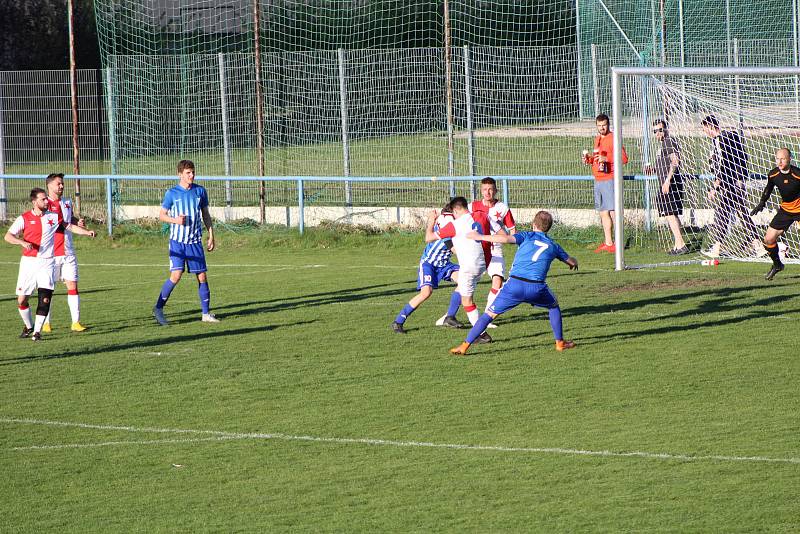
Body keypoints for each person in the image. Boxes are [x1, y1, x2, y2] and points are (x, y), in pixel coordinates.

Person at [450, 210, 577, 355]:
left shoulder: (526, 235)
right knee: (553, 307)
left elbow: (505, 239)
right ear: (549, 227)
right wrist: (573, 261)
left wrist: (479, 236)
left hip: (514, 286)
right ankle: (560, 343)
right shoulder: (554, 246)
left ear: (533, 225)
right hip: (536, 288)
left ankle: (464, 346)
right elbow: (571, 261)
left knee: (489, 315)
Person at [4, 188, 95, 341]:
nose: (47, 201)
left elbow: (69, 226)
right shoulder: (24, 218)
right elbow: (8, 236)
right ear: (34, 202)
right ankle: (29, 326)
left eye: (46, 199)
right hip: (29, 263)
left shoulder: (53, 217)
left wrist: (86, 232)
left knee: (45, 297)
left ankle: (37, 332)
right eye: (43, 199)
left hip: (47, 263)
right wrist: (21, 242)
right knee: (22, 300)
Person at [152, 160, 219, 325]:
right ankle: (158, 308)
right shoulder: (172, 193)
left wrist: (211, 234)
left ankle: (205, 314)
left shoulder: (200, 191)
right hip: (178, 242)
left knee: (202, 276)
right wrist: (176, 220)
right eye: (188, 173)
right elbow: (161, 215)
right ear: (180, 174)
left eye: (193, 172)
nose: (192, 175)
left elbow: (206, 215)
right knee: (176, 275)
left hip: (195, 242)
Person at [427, 196, 493, 344]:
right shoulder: (478, 217)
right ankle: (451, 317)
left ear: (456, 210)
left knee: (467, 300)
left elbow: (429, 237)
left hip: (469, 266)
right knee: (462, 289)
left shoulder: (455, 225)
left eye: (454, 213)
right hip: (481, 263)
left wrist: (432, 220)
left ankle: (481, 334)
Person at [392, 203, 463, 334]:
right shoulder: (447, 224)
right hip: (429, 264)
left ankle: (450, 317)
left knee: (464, 281)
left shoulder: (456, 224)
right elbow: (453, 248)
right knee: (426, 293)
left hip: (444, 264)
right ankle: (398, 321)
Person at [701, 114, 759, 258]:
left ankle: (717, 248)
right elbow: (741, 159)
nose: (705, 132)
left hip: (730, 184)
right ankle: (757, 245)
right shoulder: (732, 137)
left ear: (710, 126)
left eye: (704, 129)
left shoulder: (719, 140)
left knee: (722, 214)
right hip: (737, 182)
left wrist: (715, 187)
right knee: (739, 213)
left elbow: (723, 166)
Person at [42, 173, 89, 332]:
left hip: (68, 251)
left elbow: (69, 219)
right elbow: (61, 224)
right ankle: (46, 323)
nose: (61, 186)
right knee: (48, 288)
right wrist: (82, 231)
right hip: (50, 253)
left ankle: (76, 323)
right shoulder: (44, 204)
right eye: (58, 184)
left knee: (73, 286)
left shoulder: (67, 201)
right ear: (49, 185)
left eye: (62, 184)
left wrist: (78, 222)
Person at [468, 176, 516, 316]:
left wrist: (517, 241)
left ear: (495, 190)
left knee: (498, 279)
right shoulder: (472, 207)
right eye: (484, 189)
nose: (487, 192)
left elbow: (512, 230)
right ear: (481, 191)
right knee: (466, 282)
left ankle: (487, 315)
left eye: (490, 189)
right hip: (476, 249)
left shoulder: (502, 208)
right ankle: (450, 314)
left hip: (495, 248)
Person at [750, 147, 800, 280]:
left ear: (790, 159)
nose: (779, 161)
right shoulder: (773, 174)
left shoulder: (797, 174)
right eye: (777, 159)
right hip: (785, 210)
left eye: (783, 158)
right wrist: (762, 202)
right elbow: (769, 188)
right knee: (768, 240)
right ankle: (777, 264)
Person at [583, 113, 628, 253]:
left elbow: (624, 158)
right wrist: (589, 160)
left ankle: (618, 242)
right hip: (598, 179)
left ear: (608, 125)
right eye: (599, 126)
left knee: (614, 211)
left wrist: (607, 158)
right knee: (603, 212)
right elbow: (598, 159)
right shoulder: (597, 139)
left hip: (610, 178)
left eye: (604, 125)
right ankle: (608, 242)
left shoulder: (613, 138)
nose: (602, 128)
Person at [645, 119, 687, 254]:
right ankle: (677, 245)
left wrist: (668, 180)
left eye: (660, 130)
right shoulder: (662, 144)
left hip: (671, 183)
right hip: (665, 183)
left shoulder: (669, 141)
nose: (657, 133)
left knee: (670, 214)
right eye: (655, 131)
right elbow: (663, 165)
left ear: (666, 129)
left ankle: (681, 245)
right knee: (671, 214)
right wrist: (652, 169)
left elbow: (675, 161)